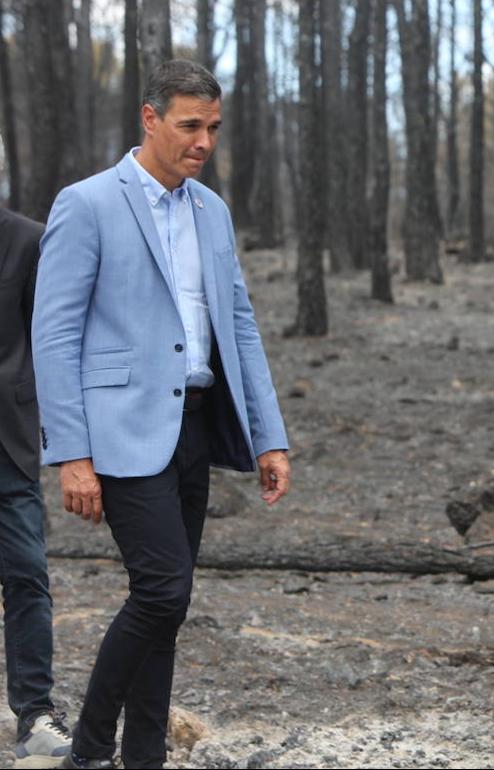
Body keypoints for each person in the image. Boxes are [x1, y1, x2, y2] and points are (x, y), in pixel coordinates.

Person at [32, 60, 291, 770]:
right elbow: (52, 336)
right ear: (149, 120)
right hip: (119, 431)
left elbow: (237, 325)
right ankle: (88, 749)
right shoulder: (86, 204)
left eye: (212, 127)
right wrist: (71, 453)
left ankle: (144, 755)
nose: (203, 141)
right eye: (189, 126)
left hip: (197, 427)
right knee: (162, 589)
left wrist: (269, 436)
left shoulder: (213, 212)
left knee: (168, 603)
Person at [0, 182, 72, 767]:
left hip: (7, 442)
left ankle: (35, 718)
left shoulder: (28, 240)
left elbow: (50, 340)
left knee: (26, 576)